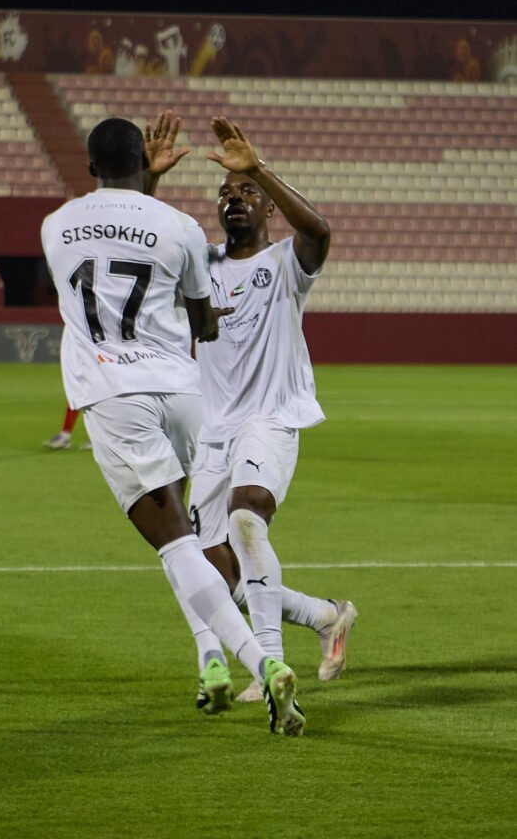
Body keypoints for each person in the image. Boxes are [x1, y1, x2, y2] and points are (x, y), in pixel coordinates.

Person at [41, 111, 306, 736]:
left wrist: (143, 185)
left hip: (116, 396)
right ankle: (210, 663)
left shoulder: (55, 226)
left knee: (177, 544)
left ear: (90, 165)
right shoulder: (180, 226)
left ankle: (260, 663)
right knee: (187, 534)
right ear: (142, 161)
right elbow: (201, 319)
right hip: (186, 395)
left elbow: (110, 250)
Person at [157, 116, 357, 706]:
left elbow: (319, 231)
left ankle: (268, 663)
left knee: (248, 519)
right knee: (218, 576)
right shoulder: (201, 267)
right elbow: (149, 248)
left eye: (246, 192)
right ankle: (325, 616)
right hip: (213, 432)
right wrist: (150, 181)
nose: (235, 198)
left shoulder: (285, 263)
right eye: (226, 192)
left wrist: (259, 171)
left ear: (267, 206)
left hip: (270, 418)